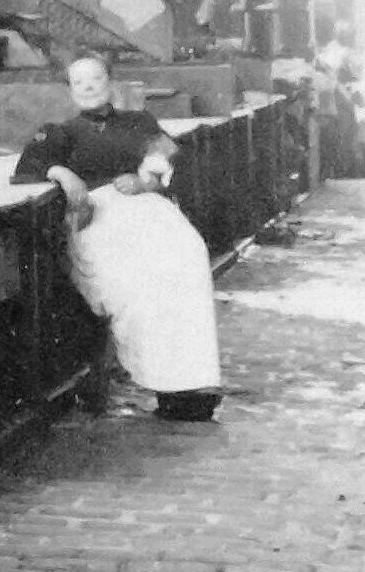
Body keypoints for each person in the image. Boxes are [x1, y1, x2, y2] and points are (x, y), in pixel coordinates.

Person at [12, 52, 223, 422]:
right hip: (100, 219)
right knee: (137, 277)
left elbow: (170, 154)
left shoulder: (139, 122)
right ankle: (163, 380)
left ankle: (193, 382)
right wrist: (63, 173)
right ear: (70, 90)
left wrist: (145, 180)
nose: (88, 87)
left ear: (109, 82)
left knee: (187, 255)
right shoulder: (61, 132)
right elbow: (26, 168)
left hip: (148, 210)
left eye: (95, 79)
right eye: (79, 82)